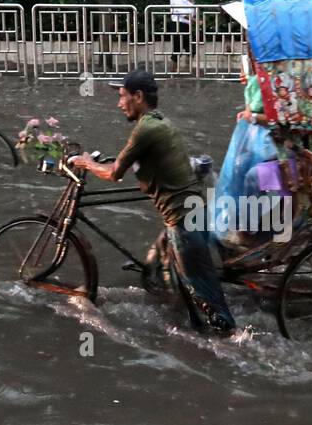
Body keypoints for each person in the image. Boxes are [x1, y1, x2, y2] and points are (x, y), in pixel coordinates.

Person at [71, 68, 235, 336]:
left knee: (210, 302)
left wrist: (86, 162)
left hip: (183, 221)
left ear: (137, 96)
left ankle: (234, 347)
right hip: (193, 212)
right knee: (180, 285)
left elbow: (114, 174)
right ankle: (193, 331)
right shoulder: (160, 123)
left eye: (123, 96)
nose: (119, 103)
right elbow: (132, 160)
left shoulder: (146, 130)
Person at [168, 0, 195, 72]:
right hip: (179, 24)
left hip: (184, 24)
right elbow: (181, 10)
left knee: (190, 48)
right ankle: (174, 70)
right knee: (178, 48)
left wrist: (192, 2)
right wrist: (194, 20)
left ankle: (187, 69)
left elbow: (190, 10)